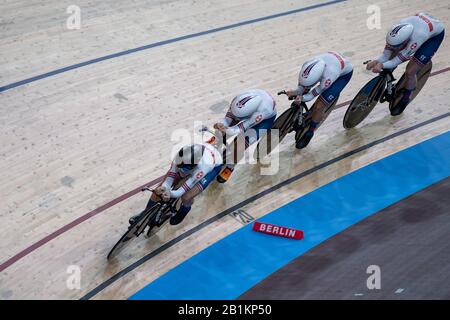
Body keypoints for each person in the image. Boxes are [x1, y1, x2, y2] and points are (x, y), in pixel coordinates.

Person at [366, 12, 445, 115]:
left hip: (433, 36)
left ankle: (406, 97)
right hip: (420, 22)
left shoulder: (417, 37)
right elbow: (386, 55)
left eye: (397, 46)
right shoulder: (395, 31)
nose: (393, 47)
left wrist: (382, 65)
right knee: (392, 54)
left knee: (410, 72)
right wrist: (376, 61)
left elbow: (397, 60)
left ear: (406, 41)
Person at [129, 143, 223, 226]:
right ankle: (144, 214)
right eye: (180, 166)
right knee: (158, 190)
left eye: (184, 168)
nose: (181, 169)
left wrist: (171, 194)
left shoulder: (202, 169)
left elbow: (182, 191)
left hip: (214, 166)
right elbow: (169, 180)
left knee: (187, 196)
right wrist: (164, 188)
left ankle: (184, 210)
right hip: (198, 156)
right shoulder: (179, 157)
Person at [286, 52, 353, 148]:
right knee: (304, 90)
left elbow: (312, 95)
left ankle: (310, 132)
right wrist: (297, 92)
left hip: (341, 76)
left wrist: (302, 98)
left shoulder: (328, 77)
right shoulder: (307, 64)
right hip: (331, 64)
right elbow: (302, 84)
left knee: (319, 106)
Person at [213, 89, 277, 183]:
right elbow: (227, 120)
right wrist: (221, 125)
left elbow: (238, 129)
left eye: (238, 118)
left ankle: (230, 167)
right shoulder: (237, 101)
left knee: (242, 144)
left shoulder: (261, 111)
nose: (236, 119)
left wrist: (226, 129)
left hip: (264, 120)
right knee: (225, 128)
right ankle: (214, 143)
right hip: (253, 110)